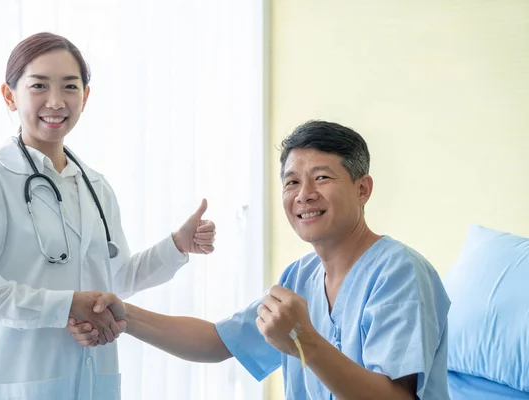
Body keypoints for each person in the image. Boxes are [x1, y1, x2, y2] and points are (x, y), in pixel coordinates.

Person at [68, 120, 451, 400]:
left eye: (322, 178)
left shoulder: (399, 273)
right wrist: (124, 316)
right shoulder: (299, 278)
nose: (304, 195)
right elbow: (219, 342)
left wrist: (304, 340)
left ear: (362, 189)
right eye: (291, 182)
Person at [0, 32, 216, 400]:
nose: (55, 101)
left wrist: (176, 246)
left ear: (85, 97)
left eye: (69, 87)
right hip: (13, 382)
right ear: (10, 96)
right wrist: (67, 306)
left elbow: (115, 280)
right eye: (39, 85)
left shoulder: (95, 186)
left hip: (92, 382)